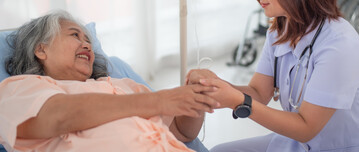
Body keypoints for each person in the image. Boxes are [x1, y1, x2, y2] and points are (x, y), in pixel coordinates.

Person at [187, 0, 359, 152]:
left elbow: (307, 127)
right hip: (295, 142)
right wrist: (215, 87)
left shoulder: (340, 44)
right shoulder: (280, 30)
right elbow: (259, 93)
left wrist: (239, 102)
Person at [0, 10, 219, 152]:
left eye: (88, 40)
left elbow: (182, 131)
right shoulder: (19, 89)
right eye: (75, 35)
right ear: (41, 49)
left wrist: (197, 95)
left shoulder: (120, 85)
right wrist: (158, 101)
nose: (87, 45)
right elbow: (59, 117)